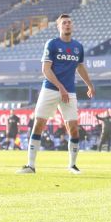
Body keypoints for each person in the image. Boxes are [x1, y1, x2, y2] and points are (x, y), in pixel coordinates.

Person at [17, 14, 95, 174]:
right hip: (50, 89)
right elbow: (46, 70)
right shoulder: (52, 44)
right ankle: (30, 165)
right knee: (39, 124)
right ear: (59, 27)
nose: (67, 25)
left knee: (73, 128)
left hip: (69, 92)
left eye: (69, 23)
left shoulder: (78, 47)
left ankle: (72, 165)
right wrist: (61, 88)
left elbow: (80, 67)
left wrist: (90, 85)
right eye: (64, 23)